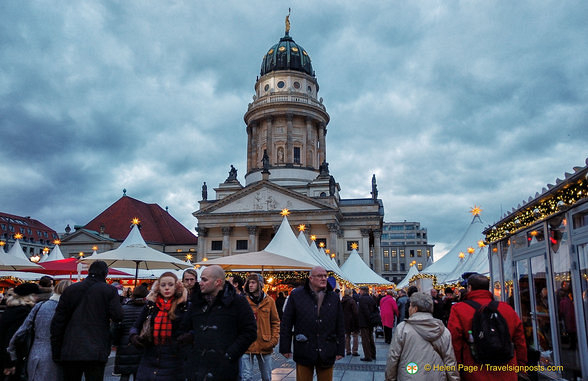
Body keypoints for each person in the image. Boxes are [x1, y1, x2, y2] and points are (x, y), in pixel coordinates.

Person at [180, 265, 257, 381]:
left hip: (225, 370)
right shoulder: (197, 303)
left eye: (204, 280)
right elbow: (183, 329)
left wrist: (230, 354)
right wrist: (190, 354)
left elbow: (249, 331)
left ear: (218, 282)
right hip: (197, 369)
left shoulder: (237, 302)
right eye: (201, 279)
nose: (200, 283)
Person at [50, 260, 123, 381]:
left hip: (71, 347)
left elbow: (58, 322)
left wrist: (56, 349)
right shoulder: (109, 290)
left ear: (88, 272)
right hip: (97, 347)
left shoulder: (70, 290)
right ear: (106, 274)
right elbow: (118, 316)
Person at [447, 273, 527, 380]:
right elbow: (519, 339)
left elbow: (454, 341)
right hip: (507, 369)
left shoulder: (459, 309)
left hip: (475, 370)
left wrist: (457, 367)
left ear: (469, 288)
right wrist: (521, 365)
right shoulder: (506, 308)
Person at [280, 266, 344, 381]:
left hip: (327, 349)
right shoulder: (297, 295)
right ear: (310, 278)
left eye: (325, 276)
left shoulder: (333, 297)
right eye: (320, 276)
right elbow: (287, 322)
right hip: (304, 349)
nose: (324, 278)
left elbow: (340, 324)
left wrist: (341, 349)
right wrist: (285, 347)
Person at [5, 280, 72, 381]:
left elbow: (20, 332)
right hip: (61, 356)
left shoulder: (40, 306)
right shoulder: (71, 309)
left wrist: (12, 352)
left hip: (35, 354)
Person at [385, 292, 459, 381]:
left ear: (415, 309)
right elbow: (449, 360)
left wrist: (390, 378)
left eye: (410, 306)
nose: (409, 308)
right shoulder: (443, 330)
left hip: (409, 376)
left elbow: (393, 356)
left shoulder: (403, 328)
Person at [130, 272, 188, 381]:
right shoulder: (151, 305)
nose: (166, 288)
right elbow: (136, 325)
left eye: (170, 285)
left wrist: (185, 339)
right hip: (149, 357)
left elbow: (190, 329)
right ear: (158, 287)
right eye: (163, 285)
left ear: (176, 286)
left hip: (173, 360)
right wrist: (134, 336)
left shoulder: (183, 306)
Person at [241, 274, 280, 381]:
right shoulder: (244, 301)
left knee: (266, 377)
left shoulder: (269, 301)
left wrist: (273, 340)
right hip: (247, 345)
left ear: (260, 284)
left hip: (265, 344)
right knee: (246, 377)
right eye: (249, 282)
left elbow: (275, 322)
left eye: (253, 282)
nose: (250, 285)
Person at [0, 283, 40, 381]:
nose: (37, 298)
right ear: (29, 296)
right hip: (12, 358)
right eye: (35, 295)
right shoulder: (23, 311)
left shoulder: (12, 308)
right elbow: (13, 338)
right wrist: (10, 363)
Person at [112, 284, 149, 381]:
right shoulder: (147, 310)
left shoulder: (124, 309)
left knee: (125, 374)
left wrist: (116, 341)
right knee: (139, 374)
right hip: (141, 343)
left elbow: (116, 328)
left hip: (125, 343)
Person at [358, 286, 377, 362]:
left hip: (364, 322)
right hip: (370, 322)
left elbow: (366, 311)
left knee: (365, 340)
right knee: (371, 338)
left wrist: (367, 319)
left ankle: (367, 356)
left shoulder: (362, 299)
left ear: (363, 291)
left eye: (360, 291)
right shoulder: (371, 298)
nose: (360, 292)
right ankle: (373, 354)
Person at [341, 288, 360, 356]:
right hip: (352, 320)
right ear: (350, 293)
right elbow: (355, 312)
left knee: (347, 336)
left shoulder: (342, 301)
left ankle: (347, 350)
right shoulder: (352, 301)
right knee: (355, 335)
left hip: (345, 320)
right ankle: (354, 350)